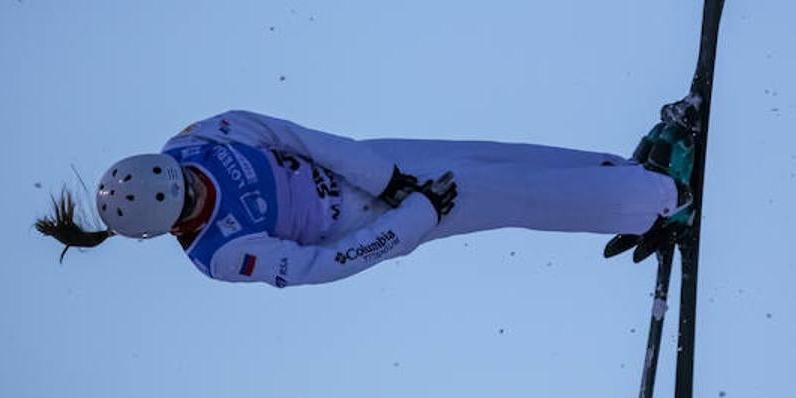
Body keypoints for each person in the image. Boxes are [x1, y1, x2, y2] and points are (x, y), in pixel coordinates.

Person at [35, 109, 695, 288]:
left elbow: (302, 137)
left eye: (187, 181)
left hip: (374, 166)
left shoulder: (204, 137)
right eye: (188, 202)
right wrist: (412, 214)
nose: (198, 190)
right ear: (173, 226)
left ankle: (629, 177)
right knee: (507, 193)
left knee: (503, 156)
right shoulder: (222, 253)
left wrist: (384, 174)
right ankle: (663, 199)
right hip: (379, 217)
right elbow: (330, 266)